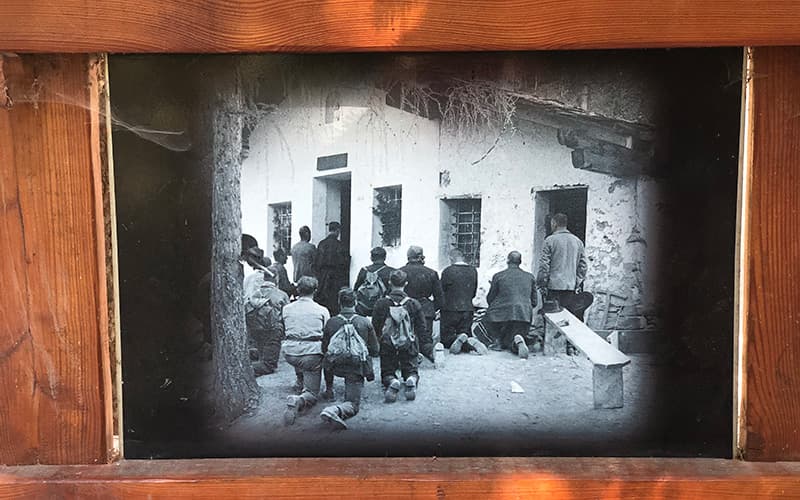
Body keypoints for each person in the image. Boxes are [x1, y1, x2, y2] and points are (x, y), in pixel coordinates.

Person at [319, 288, 379, 429]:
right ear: (356, 302)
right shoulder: (364, 322)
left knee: (327, 357)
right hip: (355, 367)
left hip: (335, 366)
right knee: (353, 404)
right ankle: (334, 410)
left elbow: (324, 349)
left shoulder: (331, 322)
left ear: (339, 302)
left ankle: (329, 389)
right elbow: (375, 350)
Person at [372, 270, 428, 403]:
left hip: (388, 343)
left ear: (390, 282)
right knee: (411, 369)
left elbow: (375, 327)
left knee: (387, 370)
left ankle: (392, 380)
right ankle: (411, 379)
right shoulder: (413, 303)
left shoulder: (381, 303)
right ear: (406, 284)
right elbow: (422, 328)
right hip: (409, 343)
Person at [536, 213, 588, 355]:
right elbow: (583, 266)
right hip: (570, 287)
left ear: (554, 223)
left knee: (553, 318)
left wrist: (541, 283)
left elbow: (544, 266)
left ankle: (553, 348)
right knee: (570, 317)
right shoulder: (577, 241)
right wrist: (576, 282)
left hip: (553, 287)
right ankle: (570, 347)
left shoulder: (550, 240)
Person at [282, 276, 330, 425]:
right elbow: (327, 333)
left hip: (289, 353)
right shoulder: (322, 310)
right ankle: (299, 399)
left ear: (298, 290)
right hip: (310, 354)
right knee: (312, 393)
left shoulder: (286, 308)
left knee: (300, 354)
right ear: (315, 291)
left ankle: (299, 379)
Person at [485, 251, 538, 359]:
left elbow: (490, 298)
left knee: (487, 320)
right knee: (514, 336)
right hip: (523, 315)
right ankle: (517, 343)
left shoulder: (498, 276)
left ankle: (497, 342)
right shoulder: (530, 277)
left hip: (500, 316)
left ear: (508, 261)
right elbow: (534, 301)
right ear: (520, 262)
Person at [398, 246, 443, 363]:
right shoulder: (432, 273)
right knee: (425, 338)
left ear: (408, 257)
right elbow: (439, 297)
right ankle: (432, 354)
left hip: (404, 308)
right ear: (421, 257)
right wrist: (433, 308)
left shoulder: (400, 272)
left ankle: (408, 357)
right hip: (425, 308)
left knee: (403, 335)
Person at [440, 249, 487, 355]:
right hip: (468, 308)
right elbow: (474, 293)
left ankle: (456, 340)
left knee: (446, 339)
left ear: (451, 258)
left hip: (450, 309)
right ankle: (470, 343)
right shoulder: (473, 270)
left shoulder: (447, 271)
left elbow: (441, 291)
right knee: (465, 331)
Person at [244, 265, 289, 376]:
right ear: (276, 278)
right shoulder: (281, 295)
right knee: (269, 365)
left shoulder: (253, 294)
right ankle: (243, 370)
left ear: (264, 278)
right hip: (273, 331)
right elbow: (287, 316)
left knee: (263, 354)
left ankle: (254, 358)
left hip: (255, 330)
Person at [314, 221, 350, 315]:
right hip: (336, 277)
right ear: (338, 231)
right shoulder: (340, 245)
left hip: (323, 277)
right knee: (334, 301)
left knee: (322, 300)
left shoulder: (321, 244)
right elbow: (345, 262)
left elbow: (316, 263)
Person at [353, 246, 395, 316]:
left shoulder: (364, 270)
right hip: (382, 307)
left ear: (371, 258)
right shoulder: (391, 271)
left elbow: (356, 288)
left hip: (364, 308)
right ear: (385, 258)